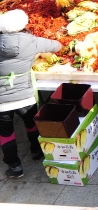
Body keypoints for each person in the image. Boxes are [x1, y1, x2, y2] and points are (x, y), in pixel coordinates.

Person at [0, 9, 61, 178]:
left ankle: (15, 167)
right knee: (31, 123)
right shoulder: (32, 41)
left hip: (1, 102)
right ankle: (36, 150)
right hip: (25, 97)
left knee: (6, 133)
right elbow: (57, 46)